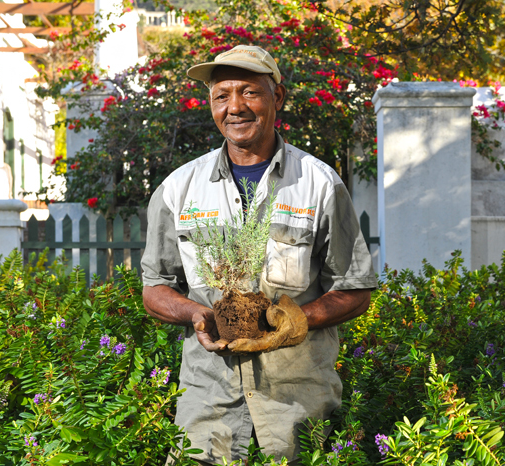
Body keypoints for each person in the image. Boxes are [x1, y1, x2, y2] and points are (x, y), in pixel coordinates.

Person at [141, 45, 377, 465]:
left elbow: (355, 287)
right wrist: (196, 314)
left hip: (296, 401)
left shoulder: (319, 184)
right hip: (208, 401)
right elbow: (155, 286)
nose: (235, 107)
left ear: (277, 98)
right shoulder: (179, 188)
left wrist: (297, 319)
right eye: (222, 95)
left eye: (249, 92)